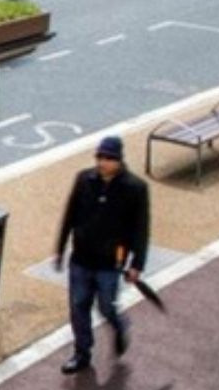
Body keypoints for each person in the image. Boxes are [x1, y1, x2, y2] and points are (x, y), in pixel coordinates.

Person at [54, 135, 151, 375]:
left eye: (108, 158)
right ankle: (82, 353)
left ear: (119, 160)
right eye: (100, 157)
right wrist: (60, 248)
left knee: (106, 306)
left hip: (110, 262)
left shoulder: (135, 188)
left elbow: (141, 229)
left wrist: (137, 264)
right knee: (78, 306)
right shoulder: (84, 179)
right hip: (81, 257)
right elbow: (70, 214)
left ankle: (118, 325)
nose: (102, 162)